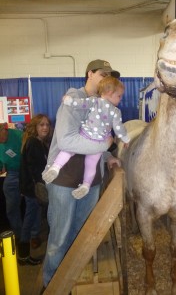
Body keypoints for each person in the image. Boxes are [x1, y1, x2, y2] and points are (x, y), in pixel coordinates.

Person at [41, 59, 121, 290]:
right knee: (60, 237)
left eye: (110, 76)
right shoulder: (74, 100)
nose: (106, 79)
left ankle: (69, 281)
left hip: (90, 182)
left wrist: (107, 157)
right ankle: (50, 286)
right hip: (64, 179)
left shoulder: (103, 105)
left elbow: (95, 140)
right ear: (90, 74)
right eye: (102, 74)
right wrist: (104, 147)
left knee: (79, 233)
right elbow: (67, 140)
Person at [42, 76, 130, 199]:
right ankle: (86, 185)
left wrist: (69, 101)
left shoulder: (94, 101)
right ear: (110, 93)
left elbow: (80, 104)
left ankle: (56, 167)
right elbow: (119, 129)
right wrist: (126, 139)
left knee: (67, 151)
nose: (120, 99)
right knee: (91, 165)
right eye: (119, 96)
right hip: (99, 143)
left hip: (86, 135)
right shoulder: (116, 112)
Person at [18, 114, 52, 266]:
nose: (45, 127)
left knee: (33, 218)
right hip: (33, 190)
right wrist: (40, 186)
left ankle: (25, 253)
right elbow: (33, 169)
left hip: (34, 189)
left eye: (47, 124)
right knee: (29, 219)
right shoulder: (33, 142)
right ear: (35, 127)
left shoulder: (40, 143)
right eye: (41, 125)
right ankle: (23, 256)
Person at [0, 123, 23, 241]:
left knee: (33, 205)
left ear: (5, 129)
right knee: (11, 208)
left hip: (26, 171)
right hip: (12, 173)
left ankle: (33, 235)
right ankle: (19, 236)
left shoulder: (19, 136)